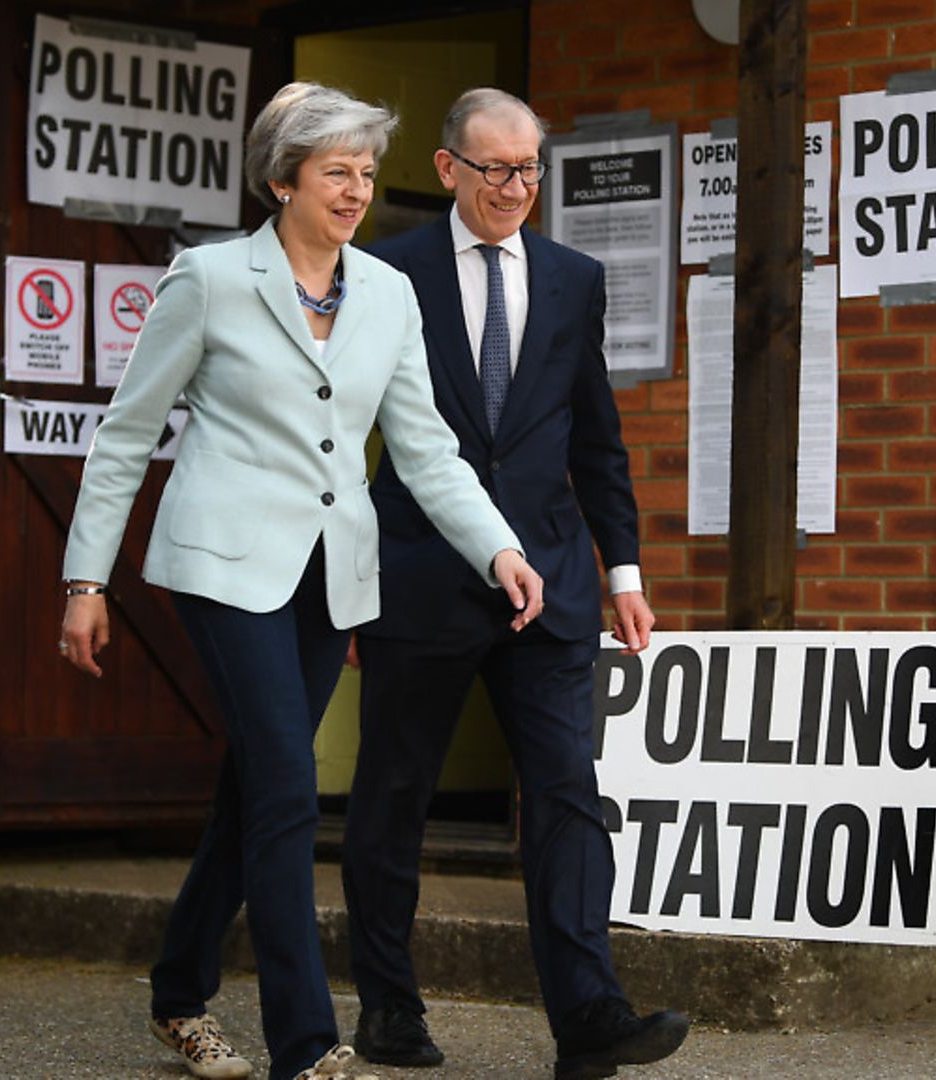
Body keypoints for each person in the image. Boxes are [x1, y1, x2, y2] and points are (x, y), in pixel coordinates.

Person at [57, 82, 546, 1080]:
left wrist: (497, 547)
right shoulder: (208, 279)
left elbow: (426, 448)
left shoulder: (389, 294)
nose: (358, 188)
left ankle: (177, 993)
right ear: (284, 180)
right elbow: (127, 433)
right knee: (287, 784)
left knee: (256, 793)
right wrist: (84, 580)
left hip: (332, 579)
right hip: (224, 567)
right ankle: (307, 1043)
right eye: (337, 171)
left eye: (368, 172)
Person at [341, 88, 687, 1080]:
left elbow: (597, 435)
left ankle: (590, 1019)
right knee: (395, 792)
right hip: (421, 575)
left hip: (554, 579)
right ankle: (389, 1007)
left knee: (569, 794)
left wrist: (623, 569)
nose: (517, 187)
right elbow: (346, 430)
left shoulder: (575, 278)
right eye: (496, 168)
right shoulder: (387, 270)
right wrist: (351, 571)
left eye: (531, 168)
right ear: (449, 168)